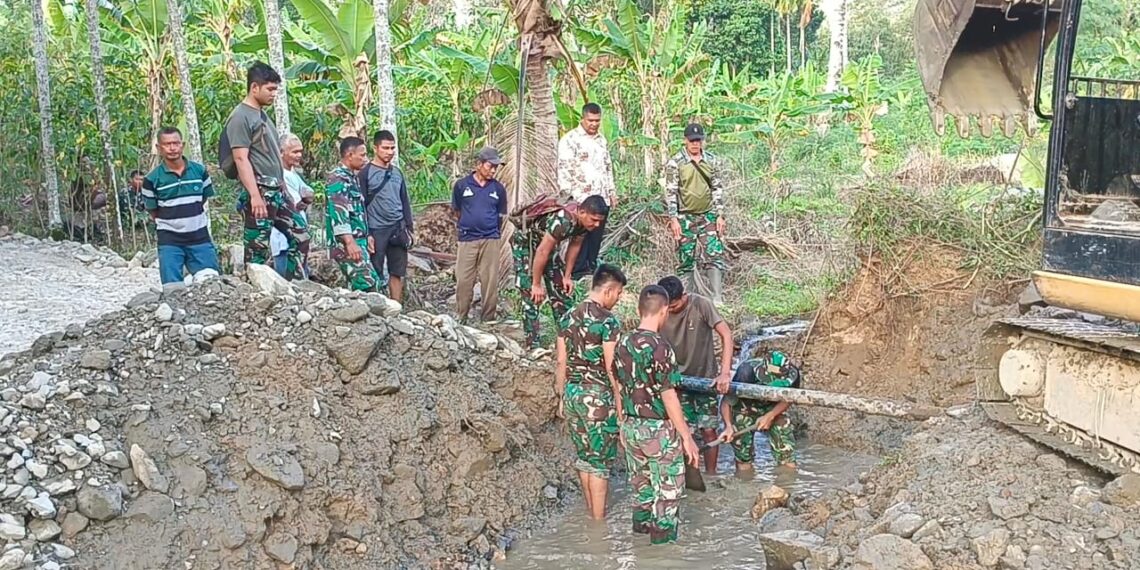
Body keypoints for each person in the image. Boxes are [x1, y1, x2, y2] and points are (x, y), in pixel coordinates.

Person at [614, 284, 700, 544]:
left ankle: (639, 544)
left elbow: (618, 386)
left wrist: (621, 422)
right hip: (658, 431)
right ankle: (661, 553)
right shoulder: (661, 348)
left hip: (631, 426)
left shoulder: (623, 344)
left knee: (642, 490)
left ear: (640, 309)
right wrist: (686, 437)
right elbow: (669, 395)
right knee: (667, 495)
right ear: (663, 311)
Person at [556, 264, 627, 520]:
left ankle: (590, 514)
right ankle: (598, 524)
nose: (618, 300)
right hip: (598, 398)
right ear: (609, 290)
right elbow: (611, 368)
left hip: (574, 394)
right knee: (599, 463)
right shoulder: (607, 322)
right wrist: (620, 405)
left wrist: (562, 397)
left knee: (585, 457)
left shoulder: (568, 316)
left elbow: (561, 362)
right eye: (618, 294)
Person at [657, 275, 734, 475]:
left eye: (674, 306)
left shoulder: (701, 305)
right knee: (682, 431)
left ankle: (711, 475)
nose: (670, 311)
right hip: (676, 384)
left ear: (684, 296)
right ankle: (688, 476)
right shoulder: (659, 311)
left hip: (705, 380)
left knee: (708, 430)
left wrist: (724, 373)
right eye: (668, 307)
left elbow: (726, 334)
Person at [225, 62, 297, 269]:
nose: (274, 94)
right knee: (257, 248)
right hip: (260, 190)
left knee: (300, 236)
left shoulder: (262, 115)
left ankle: (291, 285)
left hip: (277, 189)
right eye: (270, 89)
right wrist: (255, 195)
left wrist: (283, 185)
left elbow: (272, 155)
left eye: (276, 89)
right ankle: (254, 291)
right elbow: (240, 158)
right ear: (254, 87)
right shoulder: (240, 117)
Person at [512, 195, 609, 348]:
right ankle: (533, 345)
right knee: (530, 293)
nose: (597, 225)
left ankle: (566, 340)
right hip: (526, 245)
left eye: (599, 221)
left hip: (546, 248)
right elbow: (541, 251)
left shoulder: (584, 224)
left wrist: (567, 276)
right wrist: (536, 284)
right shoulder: (563, 220)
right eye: (594, 219)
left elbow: (575, 246)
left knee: (561, 292)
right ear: (582, 212)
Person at [141, 127, 219, 287]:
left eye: (175, 143)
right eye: (167, 144)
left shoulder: (199, 172)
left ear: (182, 145)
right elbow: (152, 209)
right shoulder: (151, 179)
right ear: (158, 148)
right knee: (172, 289)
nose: (172, 148)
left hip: (200, 237)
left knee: (210, 284)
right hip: (170, 240)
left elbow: (203, 199)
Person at [664, 123, 728, 305]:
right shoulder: (676, 163)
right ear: (685, 141)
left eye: (698, 140)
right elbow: (671, 192)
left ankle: (717, 298)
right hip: (685, 217)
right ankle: (688, 299)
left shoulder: (711, 161)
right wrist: (674, 219)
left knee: (714, 255)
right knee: (686, 258)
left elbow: (717, 188)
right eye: (692, 141)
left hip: (707, 215)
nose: (695, 144)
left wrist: (720, 215)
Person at [557, 102, 616, 280]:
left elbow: (607, 167)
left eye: (597, 121)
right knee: (579, 237)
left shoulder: (601, 140)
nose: (594, 124)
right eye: (590, 120)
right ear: (583, 118)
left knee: (596, 236)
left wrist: (612, 192)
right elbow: (564, 169)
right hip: (581, 199)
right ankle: (576, 273)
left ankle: (591, 268)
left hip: (601, 197)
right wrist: (570, 198)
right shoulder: (570, 140)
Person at [718, 350, 800, 471]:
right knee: (743, 452)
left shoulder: (793, 375)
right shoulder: (746, 372)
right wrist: (728, 426)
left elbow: (788, 399)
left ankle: (787, 484)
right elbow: (726, 402)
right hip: (744, 408)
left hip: (772, 408)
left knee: (785, 445)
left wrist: (771, 415)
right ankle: (745, 482)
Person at [452, 147, 508, 323]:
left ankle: (488, 318)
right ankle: (461, 317)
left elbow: (501, 215)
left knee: (490, 281)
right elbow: (456, 211)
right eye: (490, 166)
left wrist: (492, 231)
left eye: (495, 167)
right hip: (467, 239)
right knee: (463, 280)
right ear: (478, 164)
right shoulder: (461, 185)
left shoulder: (498, 189)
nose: (493, 170)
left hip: (490, 239)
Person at [358, 129, 414, 303]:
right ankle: (376, 305)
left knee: (397, 270)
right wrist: (366, 234)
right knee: (375, 269)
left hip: (398, 227)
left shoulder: (397, 173)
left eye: (392, 148)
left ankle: (396, 307)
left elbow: (404, 201)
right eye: (385, 148)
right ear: (375, 148)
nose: (389, 152)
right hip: (376, 229)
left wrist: (410, 228)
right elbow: (361, 205)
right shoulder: (365, 173)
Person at [326, 136, 380, 292]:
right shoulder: (338, 178)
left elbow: (357, 211)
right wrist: (350, 242)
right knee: (368, 284)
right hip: (347, 243)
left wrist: (366, 235)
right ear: (350, 155)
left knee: (364, 285)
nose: (366, 159)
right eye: (362, 155)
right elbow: (339, 212)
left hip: (358, 239)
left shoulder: (352, 177)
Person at [271, 133, 314, 279]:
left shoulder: (293, 173)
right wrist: (305, 200)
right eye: (294, 152)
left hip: (299, 237)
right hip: (284, 239)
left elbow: (308, 194)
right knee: (288, 278)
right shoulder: (279, 175)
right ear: (281, 152)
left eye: (300, 151)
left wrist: (305, 200)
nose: (299, 155)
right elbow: (292, 204)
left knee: (301, 275)